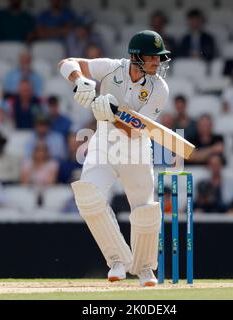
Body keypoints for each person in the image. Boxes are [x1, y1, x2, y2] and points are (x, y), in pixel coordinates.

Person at [58, 29, 170, 286]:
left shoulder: (159, 88)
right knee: (87, 196)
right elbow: (67, 63)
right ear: (136, 57)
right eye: (152, 57)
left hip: (136, 149)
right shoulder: (112, 68)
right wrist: (79, 81)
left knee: (144, 209)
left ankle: (144, 269)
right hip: (103, 145)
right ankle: (118, 261)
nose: (157, 62)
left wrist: (112, 113)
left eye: (159, 57)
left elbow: (137, 129)